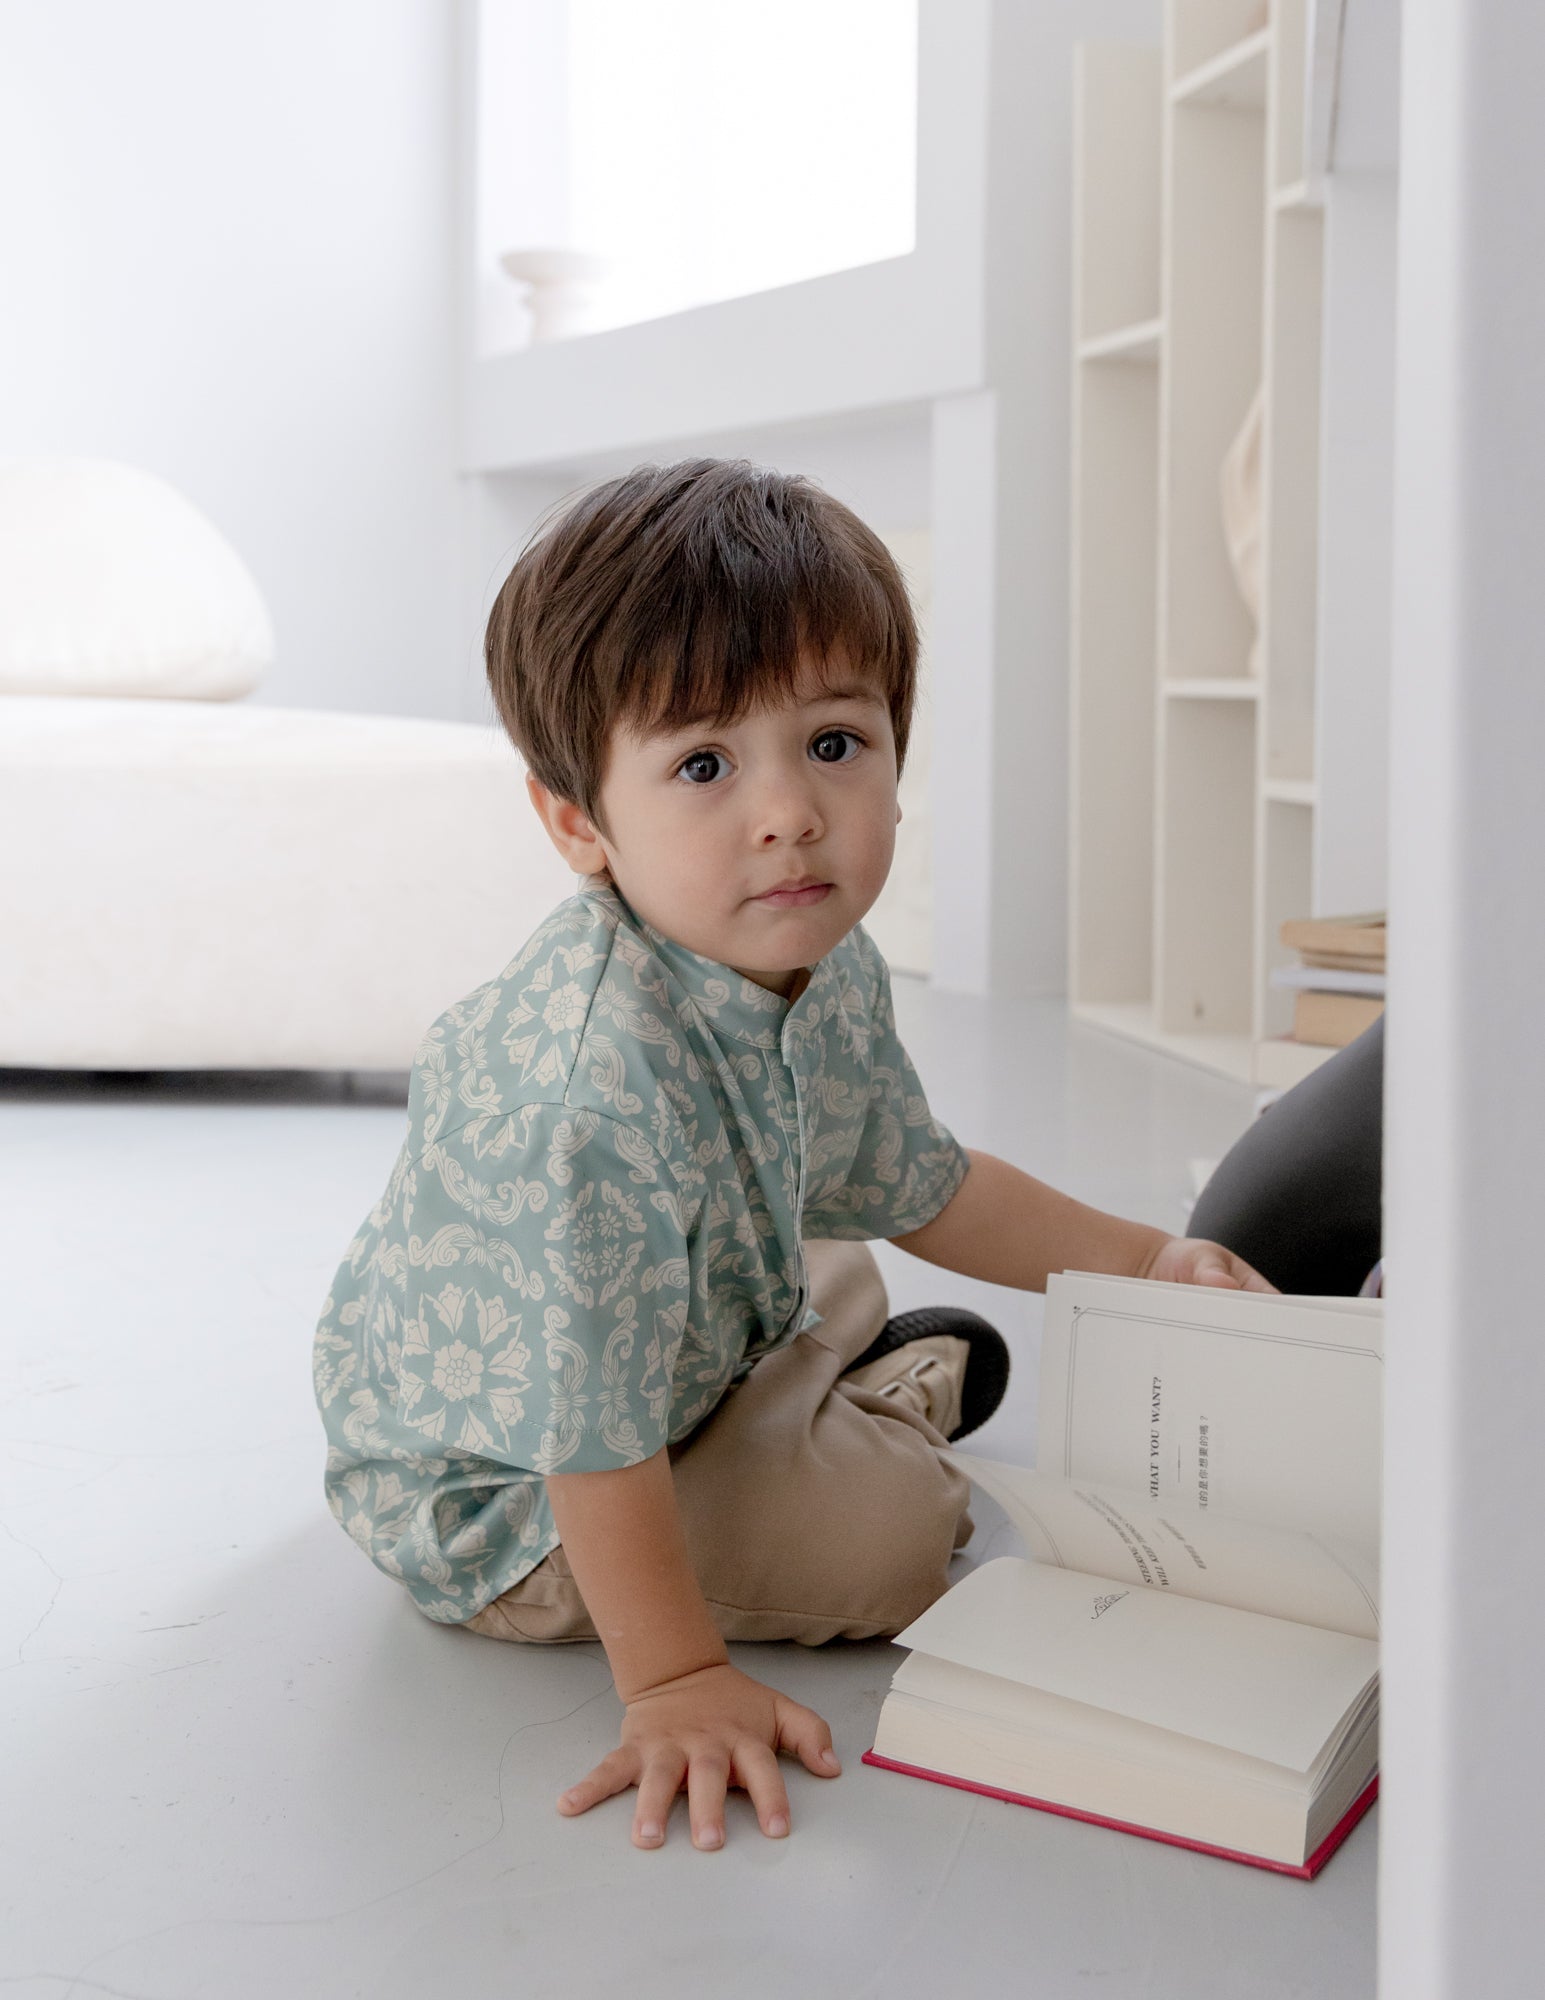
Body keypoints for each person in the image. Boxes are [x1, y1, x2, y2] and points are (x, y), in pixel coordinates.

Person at [311, 458, 1272, 1856]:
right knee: (899, 1541)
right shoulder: (578, 1108)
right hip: (522, 1491)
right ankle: (868, 1412)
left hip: (665, 1345)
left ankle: (817, 1393)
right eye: (704, 766)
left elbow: (927, 1183)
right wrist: (674, 1680)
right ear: (578, 822)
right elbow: (588, 1443)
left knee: (839, 1237)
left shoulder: (806, 942)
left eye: (833, 742)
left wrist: (1149, 1261)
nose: (789, 815)